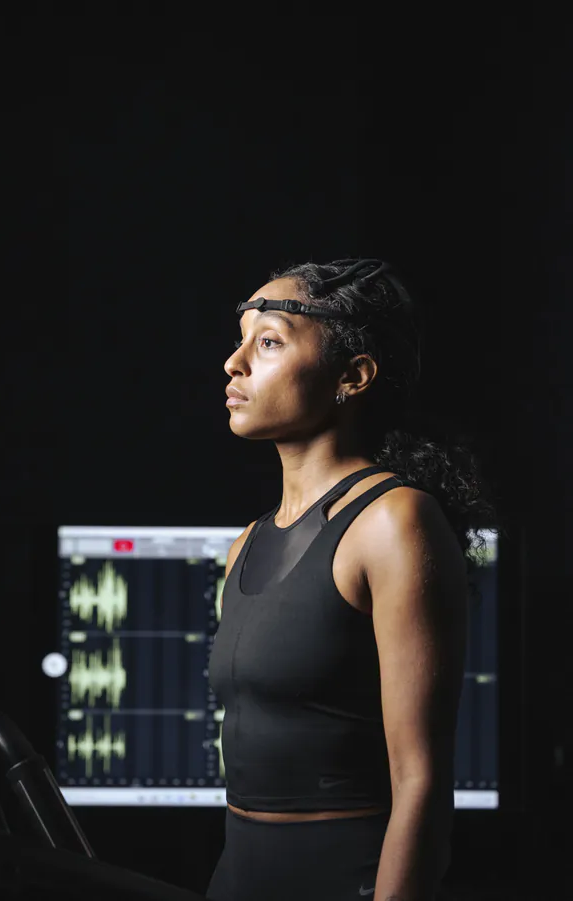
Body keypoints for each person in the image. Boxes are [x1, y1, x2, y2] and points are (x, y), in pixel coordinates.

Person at [206, 259, 500, 901]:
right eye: (240, 339)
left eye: (269, 342)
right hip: (236, 877)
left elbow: (421, 781)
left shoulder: (394, 522)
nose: (234, 363)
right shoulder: (246, 545)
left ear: (353, 375)